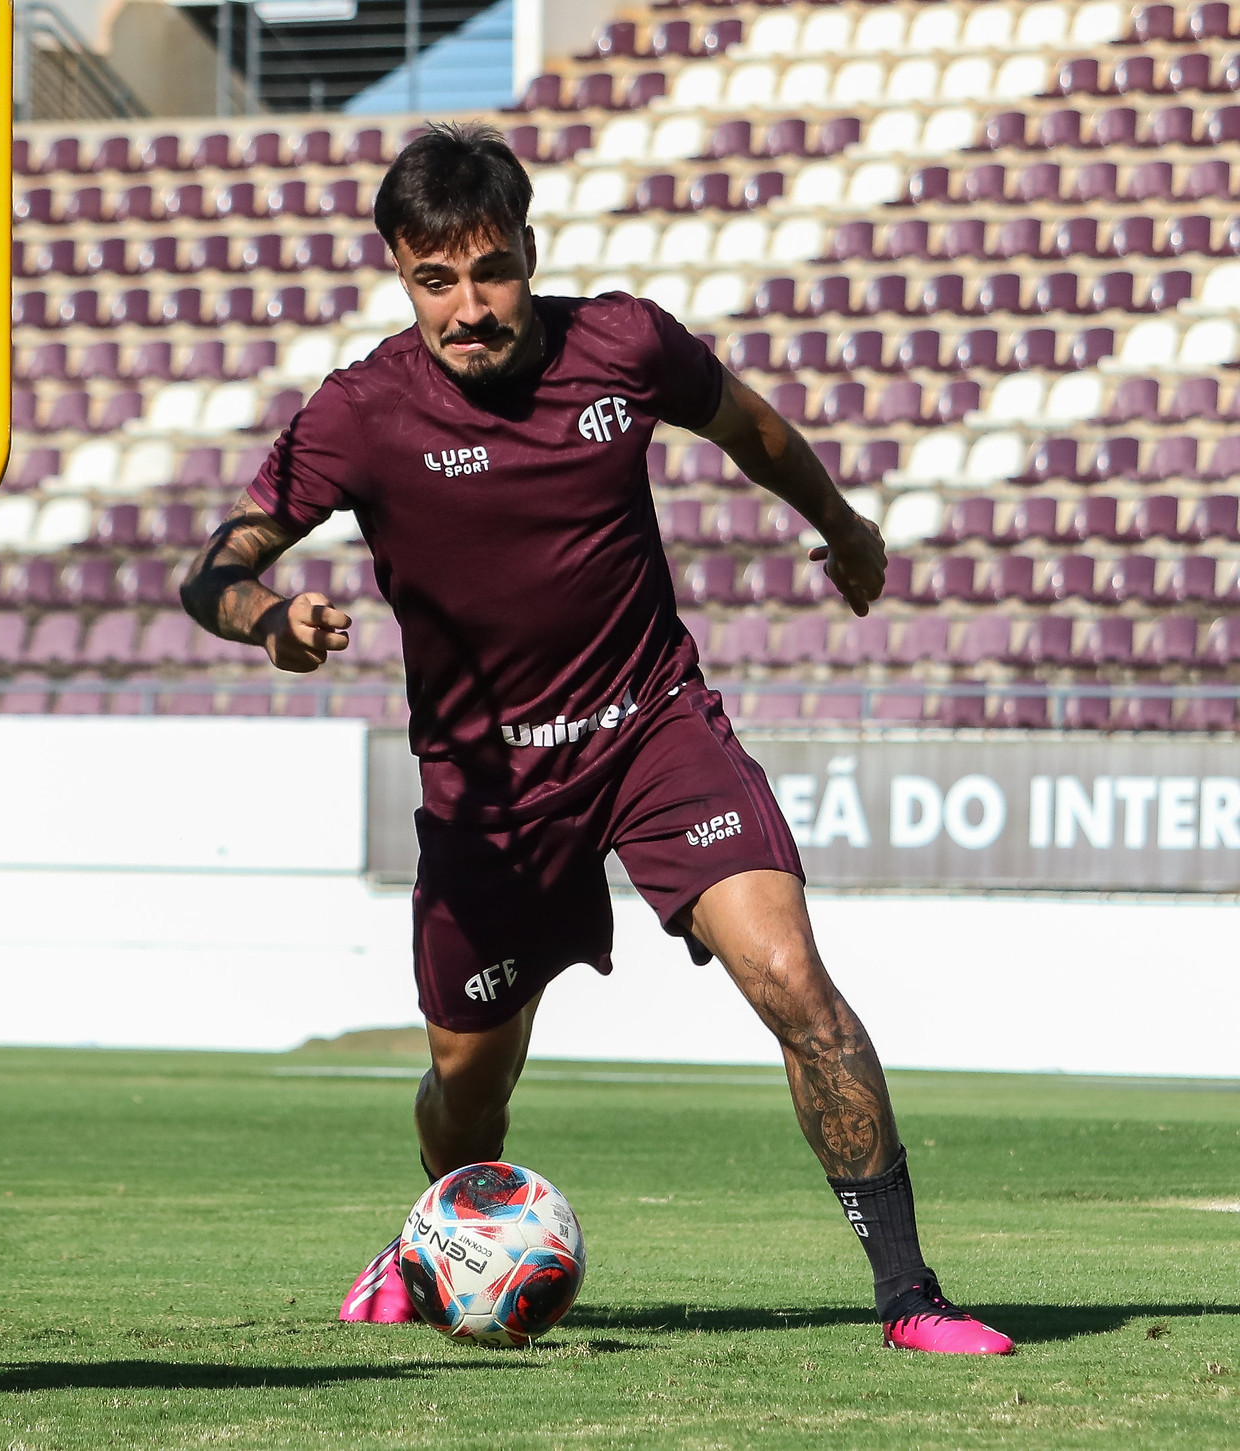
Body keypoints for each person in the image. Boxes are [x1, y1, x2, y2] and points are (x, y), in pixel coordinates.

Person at [180, 122, 1012, 1356]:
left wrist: (840, 525)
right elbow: (218, 563)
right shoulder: (357, 412)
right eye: (434, 279)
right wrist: (266, 619)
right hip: (489, 792)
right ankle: (429, 1237)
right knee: (470, 1085)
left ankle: (909, 1297)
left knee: (797, 988)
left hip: (651, 731)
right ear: (401, 276)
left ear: (528, 250)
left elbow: (751, 429)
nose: (468, 306)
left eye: (490, 269)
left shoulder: (621, 343)